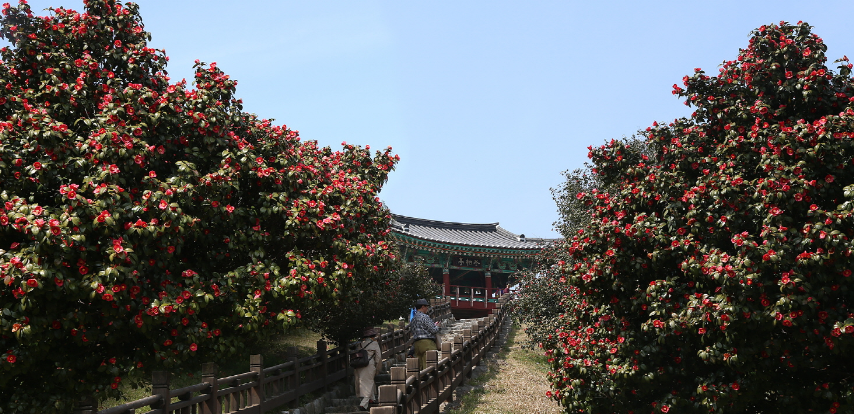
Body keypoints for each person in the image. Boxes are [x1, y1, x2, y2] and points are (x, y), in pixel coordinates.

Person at [354, 327, 382, 411]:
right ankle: (363, 404)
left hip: (359, 365)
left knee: (367, 381)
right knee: (369, 382)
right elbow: (378, 357)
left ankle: (372, 399)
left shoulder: (359, 344)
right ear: (372, 336)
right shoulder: (374, 344)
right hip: (369, 365)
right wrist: (378, 368)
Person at [409, 298, 440, 370]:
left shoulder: (413, 319)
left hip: (417, 344)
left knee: (420, 367)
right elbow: (433, 330)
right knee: (429, 366)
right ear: (423, 307)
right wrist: (438, 326)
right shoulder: (425, 317)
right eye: (426, 307)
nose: (427, 308)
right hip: (427, 343)